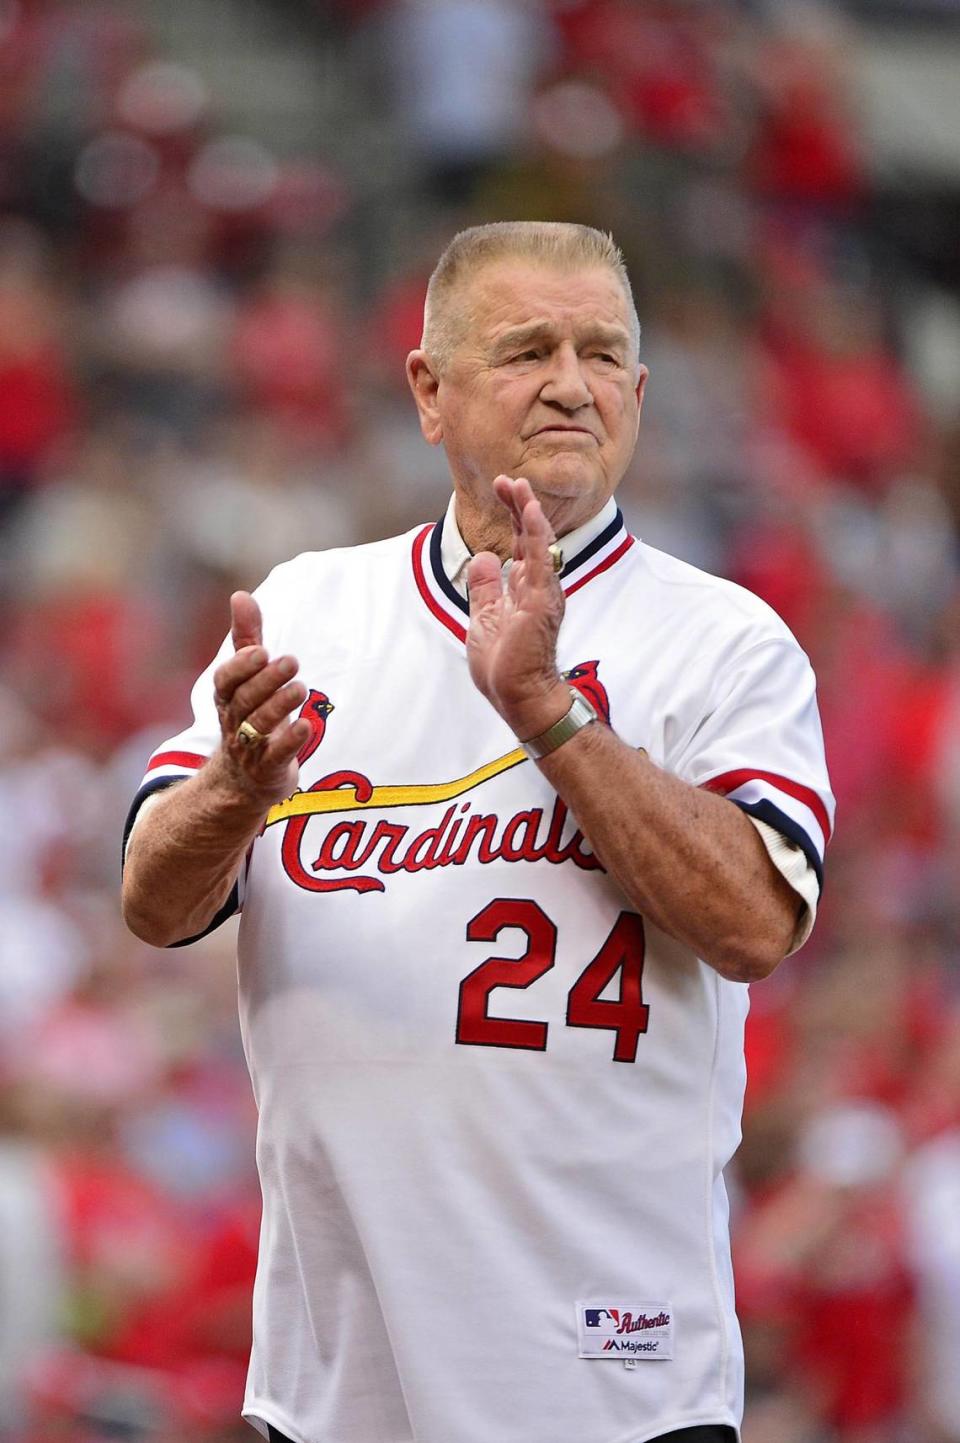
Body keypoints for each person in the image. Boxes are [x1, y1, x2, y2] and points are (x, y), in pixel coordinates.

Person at [122, 222, 833, 1443]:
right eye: (526, 349)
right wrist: (240, 788)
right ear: (429, 392)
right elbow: (154, 899)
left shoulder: (725, 638)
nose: (572, 381)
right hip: (337, 1370)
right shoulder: (307, 609)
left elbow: (758, 921)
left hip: (613, 1370)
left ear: (642, 394)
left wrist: (548, 715)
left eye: (604, 353)